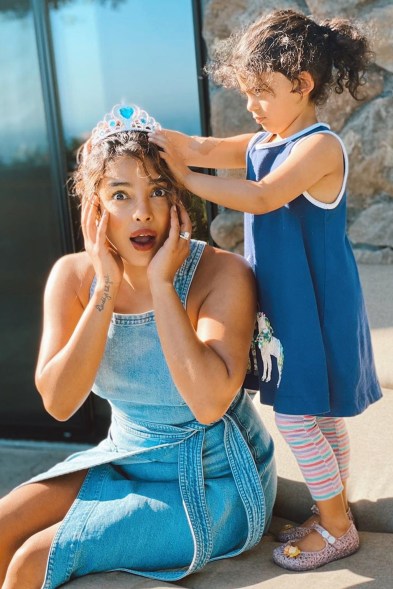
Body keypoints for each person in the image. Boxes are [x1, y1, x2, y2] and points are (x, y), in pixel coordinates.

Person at [0, 104, 276, 588]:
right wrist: (104, 288)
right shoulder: (73, 277)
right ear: (94, 205)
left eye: (159, 190)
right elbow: (61, 403)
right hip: (125, 455)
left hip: (217, 479)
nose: (142, 212)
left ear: (180, 198)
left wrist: (163, 286)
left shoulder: (222, 274)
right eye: (121, 195)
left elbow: (210, 403)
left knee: (31, 562)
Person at [148, 9, 382, 571]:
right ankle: (336, 509)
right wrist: (164, 143)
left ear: (303, 87)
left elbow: (260, 197)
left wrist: (181, 179)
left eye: (262, 92)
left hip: (316, 306)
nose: (251, 106)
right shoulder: (266, 139)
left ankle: (335, 526)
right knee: (319, 414)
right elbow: (203, 146)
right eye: (247, 92)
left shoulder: (318, 148)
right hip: (286, 304)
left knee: (300, 417)